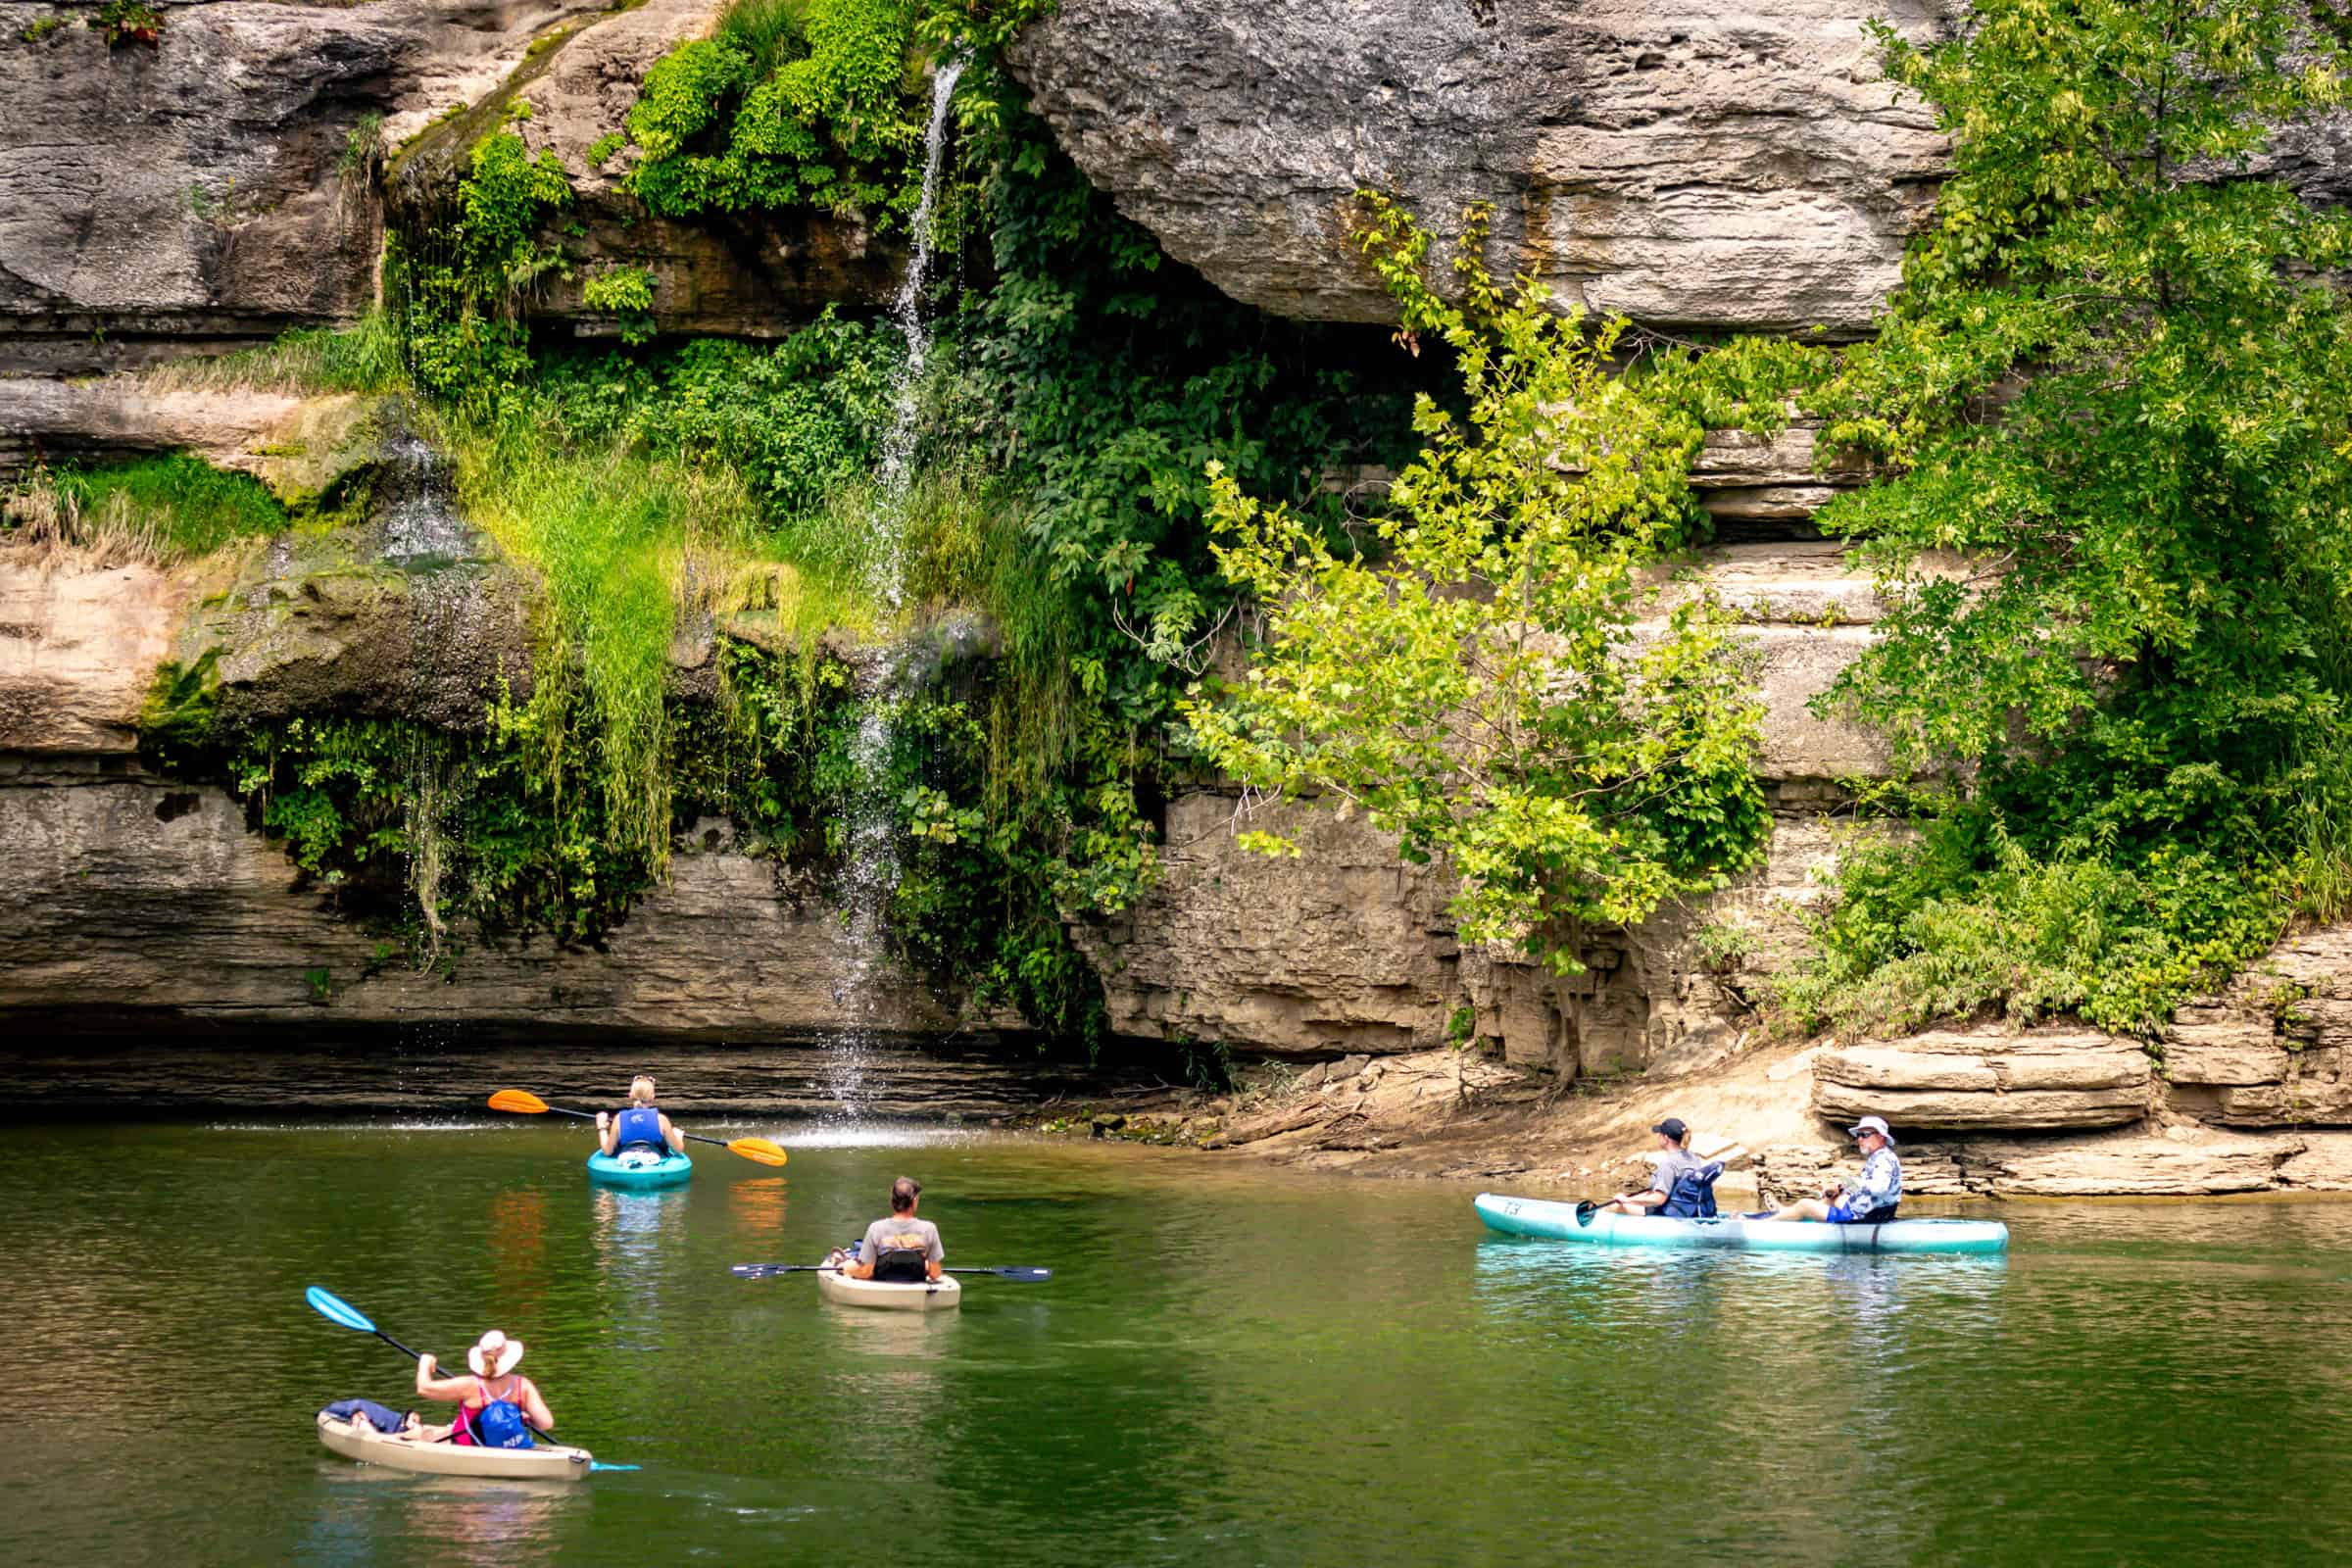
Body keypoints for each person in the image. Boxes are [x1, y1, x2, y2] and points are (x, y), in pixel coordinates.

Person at [415, 1329, 555, 1448]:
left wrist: (424, 1363)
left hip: (468, 1449)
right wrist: (520, 1418)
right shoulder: (523, 1385)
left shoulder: (469, 1385)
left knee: (415, 1433)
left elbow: (424, 1388)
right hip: (511, 1448)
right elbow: (546, 1423)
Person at [1763, 1116, 1902, 1223]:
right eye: (1858, 1135)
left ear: (1881, 1137)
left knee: (1804, 1204)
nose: (1859, 1139)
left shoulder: (1883, 1159)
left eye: (1864, 1135)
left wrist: (1850, 1182)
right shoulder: (1880, 1156)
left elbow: (1879, 1188)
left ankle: (1766, 1224)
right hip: (1870, 1211)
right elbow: (1868, 1189)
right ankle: (1788, 1212)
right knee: (1833, 1197)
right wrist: (1842, 1188)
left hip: (1865, 1216)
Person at [836, 1176, 945, 1283]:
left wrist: (846, 1268)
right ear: (915, 1201)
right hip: (915, 1281)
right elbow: (935, 1273)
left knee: (849, 1265)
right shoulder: (929, 1229)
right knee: (926, 1264)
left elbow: (866, 1272)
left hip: (882, 1280)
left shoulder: (876, 1228)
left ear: (892, 1201)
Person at [1600, 1118, 1713, 1215]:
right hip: (1688, 1209)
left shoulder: (1668, 1164)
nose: (1658, 1137)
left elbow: (1659, 1199)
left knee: (1614, 1207)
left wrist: (1626, 1200)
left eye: (1659, 1134)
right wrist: (1632, 1198)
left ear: (1666, 1138)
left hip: (1667, 1211)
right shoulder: (1694, 1158)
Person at [597, 1075, 684, 1157]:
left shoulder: (618, 1119)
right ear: (653, 1097)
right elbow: (678, 1150)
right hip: (654, 1163)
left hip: (626, 1162)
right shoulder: (662, 1120)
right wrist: (678, 1136)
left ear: (630, 1095)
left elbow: (607, 1152)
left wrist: (602, 1128)